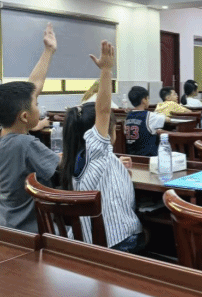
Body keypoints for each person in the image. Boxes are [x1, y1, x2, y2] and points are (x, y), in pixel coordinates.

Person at [59, 41, 145, 252]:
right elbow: (104, 111)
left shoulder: (81, 157)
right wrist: (106, 70)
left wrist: (117, 165)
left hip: (88, 241)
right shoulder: (96, 150)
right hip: (117, 241)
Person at [0, 23, 60, 232]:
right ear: (25, 116)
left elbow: (32, 89)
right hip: (29, 231)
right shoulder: (24, 144)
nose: (38, 106)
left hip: (2, 223)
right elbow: (61, 164)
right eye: (37, 104)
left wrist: (48, 51)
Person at [125, 86, 168, 156]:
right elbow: (167, 119)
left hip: (132, 156)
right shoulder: (149, 116)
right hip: (148, 157)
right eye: (148, 98)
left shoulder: (128, 116)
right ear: (144, 100)